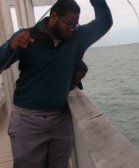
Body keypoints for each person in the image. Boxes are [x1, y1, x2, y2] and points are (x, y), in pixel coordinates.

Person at [0, 0, 112, 167]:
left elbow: (105, 22)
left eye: (75, 24)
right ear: (53, 16)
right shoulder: (28, 36)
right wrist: (10, 46)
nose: (72, 28)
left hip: (60, 120)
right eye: (68, 23)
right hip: (27, 121)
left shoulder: (77, 38)